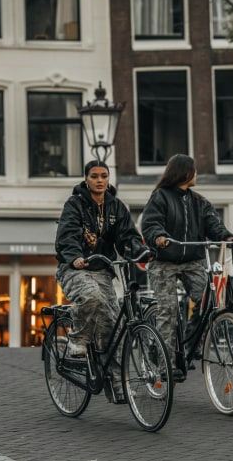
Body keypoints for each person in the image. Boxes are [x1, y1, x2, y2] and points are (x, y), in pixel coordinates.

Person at [54, 159, 150, 403]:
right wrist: (74, 257)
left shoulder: (116, 207)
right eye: (94, 176)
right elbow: (67, 235)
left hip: (103, 271)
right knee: (91, 297)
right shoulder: (74, 204)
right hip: (74, 269)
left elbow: (127, 236)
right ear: (86, 179)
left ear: (108, 179)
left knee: (114, 330)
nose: (99, 180)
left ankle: (119, 387)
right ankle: (77, 341)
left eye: (103, 176)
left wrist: (137, 249)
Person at [140, 154, 233, 381]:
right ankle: (165, 362)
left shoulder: (199, 202)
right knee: (168, 311)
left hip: (192, 260)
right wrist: (159, 237)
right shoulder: (160, 197)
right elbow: (150, 223)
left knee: (208, 300)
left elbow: (213, 223)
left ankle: (192, 345)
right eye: (194, 171)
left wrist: (226, 236)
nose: (197, 175)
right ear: (184, 173)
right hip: (164, 261)